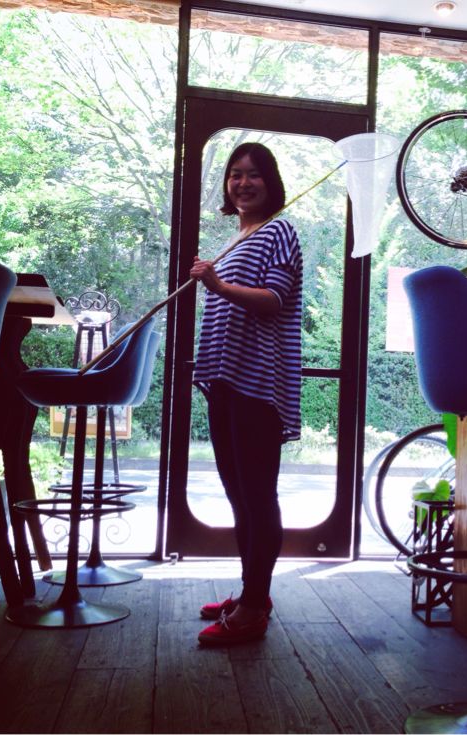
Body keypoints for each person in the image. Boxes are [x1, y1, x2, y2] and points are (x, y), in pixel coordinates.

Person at [189, 142, 303, 646]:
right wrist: (216, 278)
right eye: (235, 174)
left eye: (253, 174)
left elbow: (274, 300)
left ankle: (253, 607)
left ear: (270, 182)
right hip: (225, 379)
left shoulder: (280, 231)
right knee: (238, 494)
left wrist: (216, 284)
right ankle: (251, 594)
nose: (242, 183)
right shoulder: (236, 237)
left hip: (257, 382)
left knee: (257, 494)